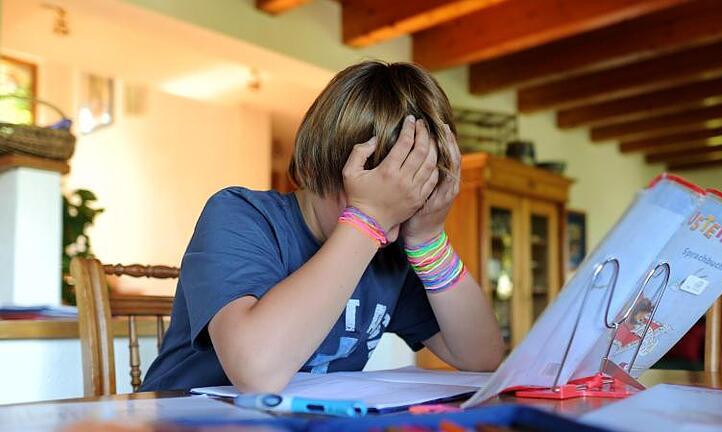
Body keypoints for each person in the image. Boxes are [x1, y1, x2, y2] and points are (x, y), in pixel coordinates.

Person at [141, 61, 504, 393]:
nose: (390, 232)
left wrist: (428, 240)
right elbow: (257, 371)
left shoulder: (390, 252)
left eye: (407, 205)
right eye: (372, 197)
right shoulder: (240, 216)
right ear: (315, 168)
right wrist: (367, 220)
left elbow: (482, 358)